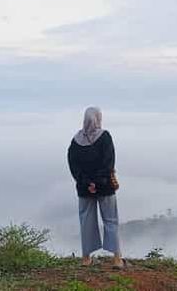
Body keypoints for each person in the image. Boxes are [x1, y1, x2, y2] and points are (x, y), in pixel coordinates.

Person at [67, 107, 123, 268]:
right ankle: (117, 259)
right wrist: (97, 183)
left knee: (86, 221)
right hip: (105, 187)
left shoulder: (76, 141)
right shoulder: (104, 137)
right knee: (111, 220)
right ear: (98, 118)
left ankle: (86, 258)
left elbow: (73, 166)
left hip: (84, 189)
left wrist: (87, 183)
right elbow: (108, 162)